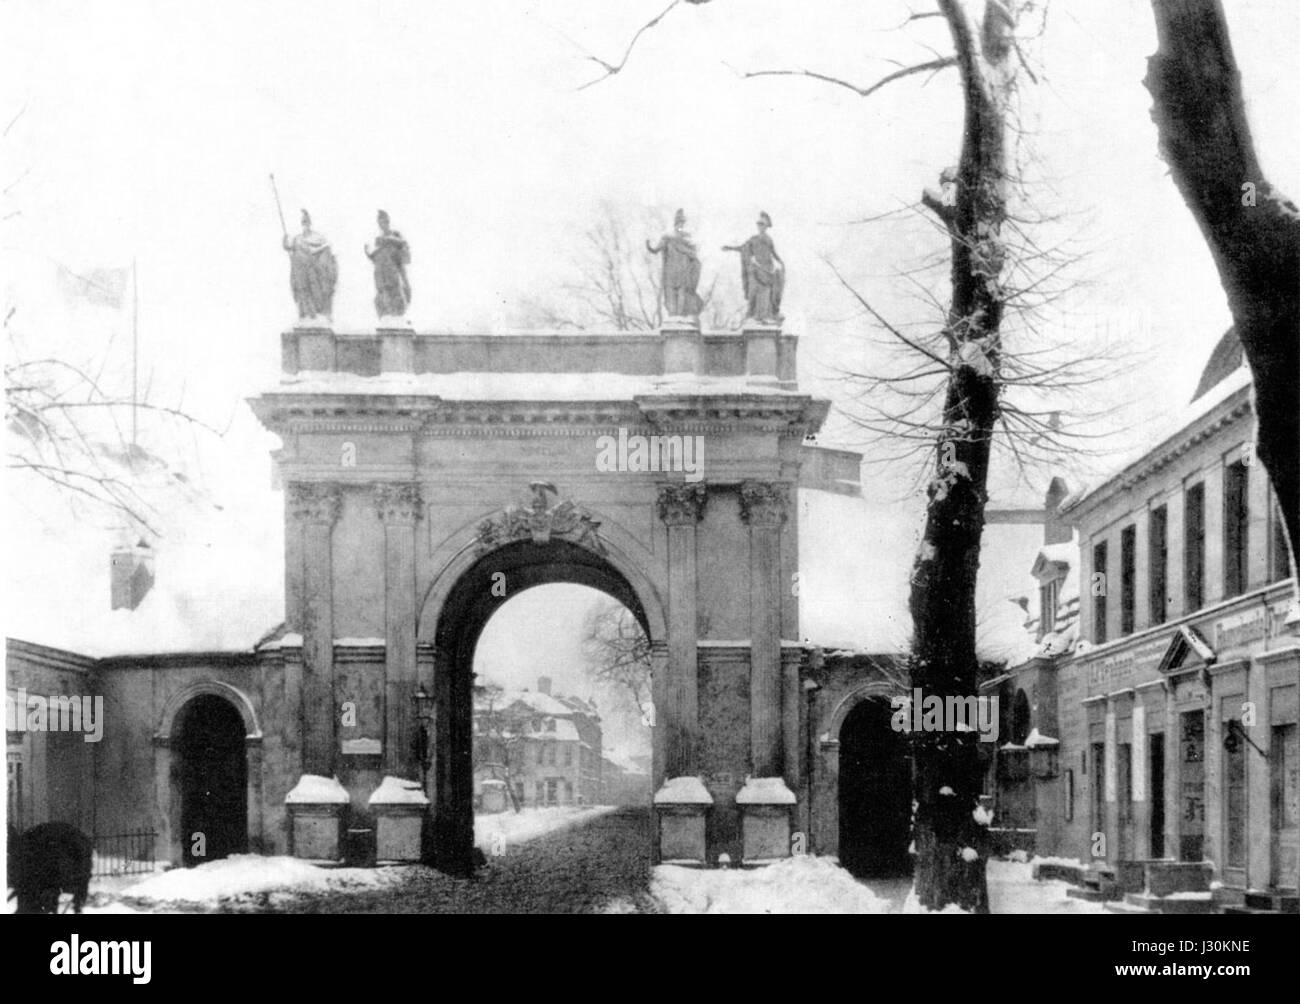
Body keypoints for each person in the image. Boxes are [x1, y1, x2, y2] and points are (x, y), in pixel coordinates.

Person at [723, 211, 784, 324]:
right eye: (759, 224)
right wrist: (730, 248)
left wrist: (780, 262)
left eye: (763, 225)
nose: (760, 227)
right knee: (752, 292)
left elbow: (773, 253)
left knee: (766, 293)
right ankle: (752, 314)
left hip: (768, 269)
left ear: (766, 227)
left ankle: (765, 315)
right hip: (756, 269)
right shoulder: (753, 239)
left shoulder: (769, 239)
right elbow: (743, 248)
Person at [646, 209, 703, 319]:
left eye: (682, 223)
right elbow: (657, 249)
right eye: (679, 222)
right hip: (671, 271)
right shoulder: (668, 238)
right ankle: (673, 315)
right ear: (675, 223)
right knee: (671, 292)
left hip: (684, 270)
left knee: (683, 291)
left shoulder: (687, 238)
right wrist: (650, 247)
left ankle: (680, 315)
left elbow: (694, 250)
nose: (680, 225)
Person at [283, 210, 337, 321]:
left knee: (315, 289)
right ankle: (307, 314)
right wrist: (284, 241)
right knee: (303, 290)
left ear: (309, 223)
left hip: (311, 268)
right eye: (303, 222)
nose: (304, 224)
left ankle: (317, 313)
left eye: (306, 222)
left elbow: (323, 248)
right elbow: (288, 247)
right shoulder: (297, 238)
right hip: (300, 270)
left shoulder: (317, 237)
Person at [365, 210, 411, 318]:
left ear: (388, 221)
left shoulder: (395, 234)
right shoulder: (378, 240)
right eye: (380, 223)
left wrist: (386, 239)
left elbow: (403, 243)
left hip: (392, 267)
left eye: (384, 222)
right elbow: (376, 256)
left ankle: (397, 314)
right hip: (381, 270)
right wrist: (368, 253)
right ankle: (386, 315)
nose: (382, 225)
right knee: (382, 291)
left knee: (395, 289)